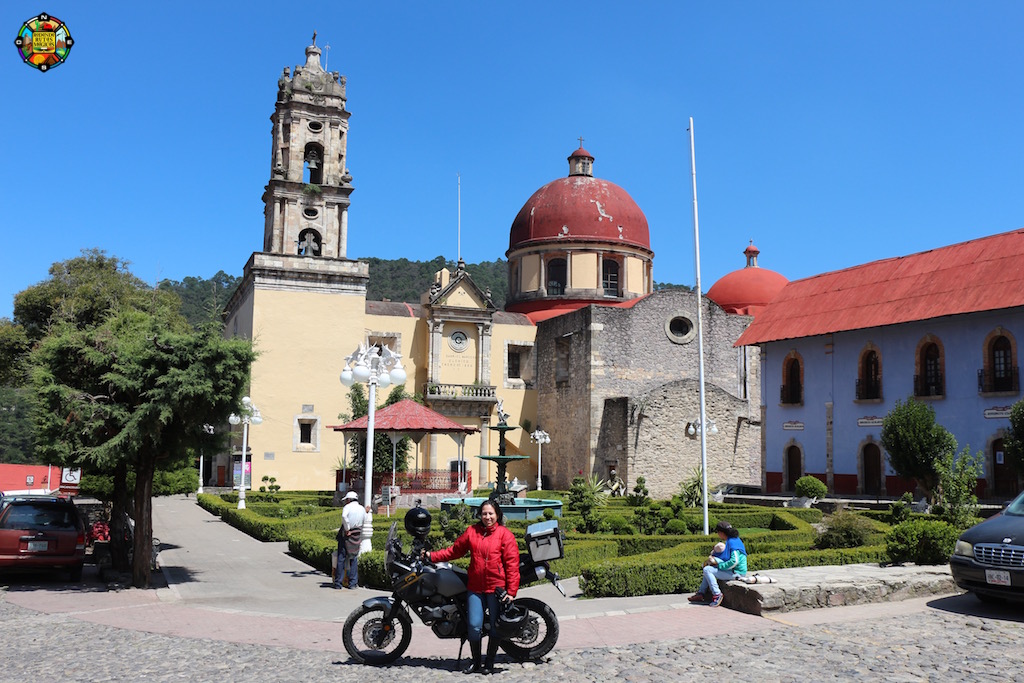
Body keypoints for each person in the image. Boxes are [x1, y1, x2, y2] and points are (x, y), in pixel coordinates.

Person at [425, 499, 520, 674]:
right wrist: (431, 556)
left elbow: (512, 564)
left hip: (496, 588)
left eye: (491, 513)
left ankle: (489, 662)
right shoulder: (472, 531)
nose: (488, 517)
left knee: (495, 626)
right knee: (474, 626)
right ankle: (476, 662)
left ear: (497, 514)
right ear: (480, 515)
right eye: (484, 513)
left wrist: (511, 591)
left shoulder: (505, 534)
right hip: (475, 587)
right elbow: (454, 551)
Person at [689, 520, 747, 607]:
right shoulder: (733, 539)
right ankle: (701, 593)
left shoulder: (732, 543)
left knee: (707, 570)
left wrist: (720, 565)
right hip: (734, 571)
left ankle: (717, 594)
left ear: (721, 533)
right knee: (708, 567)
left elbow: (734, 561)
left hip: (736, 573)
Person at [335, 491, 365, 589]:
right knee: (354, 558)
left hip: (347, 535)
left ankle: (338, 583)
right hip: (356, 535)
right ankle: (353, 583)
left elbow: (344, 516)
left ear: (348, 500)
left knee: (341, 559)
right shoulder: (362, 508)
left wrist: (347, 529)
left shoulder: (347, 507)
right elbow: (364, 521)